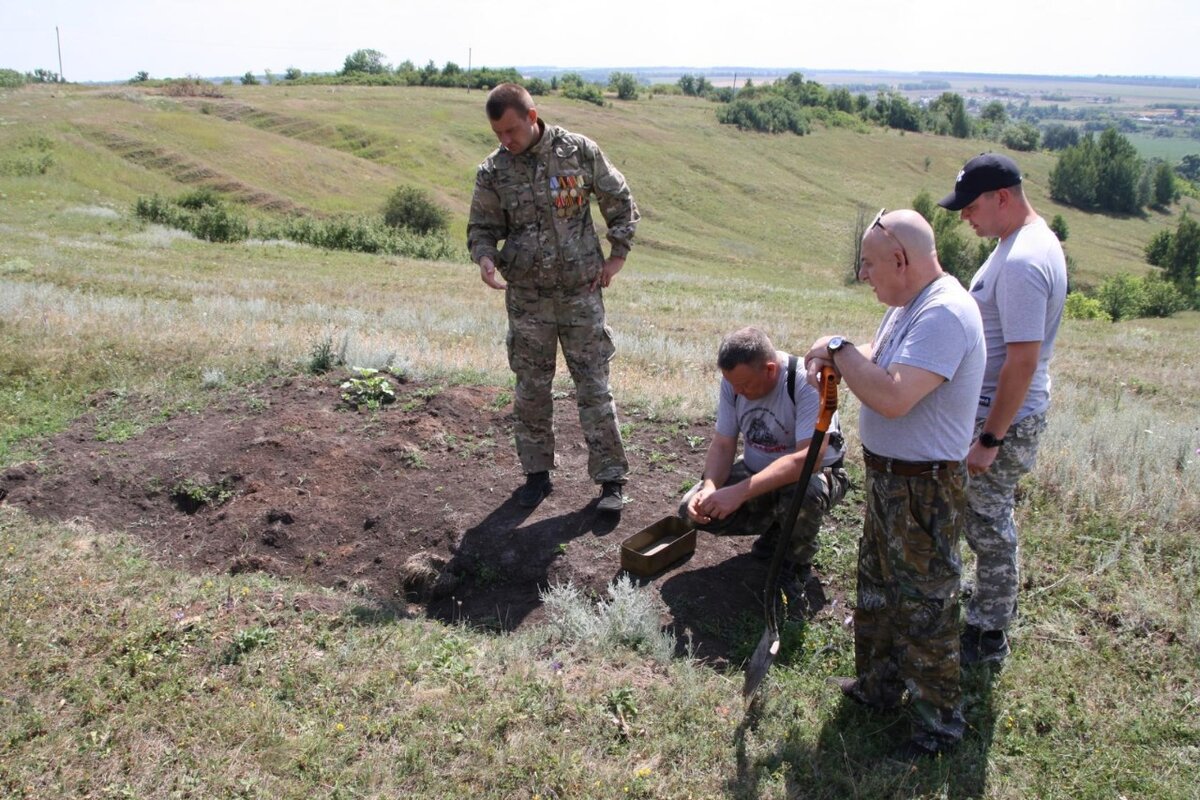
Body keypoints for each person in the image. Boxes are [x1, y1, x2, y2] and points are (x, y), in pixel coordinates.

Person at [805, 209, 985, 759]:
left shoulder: (946, 313)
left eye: (869, 263)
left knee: (924, 604)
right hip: (891, 481)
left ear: (901, 260)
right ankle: (880, 686)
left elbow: (891, 394)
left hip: (922, 488)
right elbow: (880, 362)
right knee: (879, 589)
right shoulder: (911, 307)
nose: (864, 274)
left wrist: (838, 350)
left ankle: (938, 723)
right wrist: (834, 347)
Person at [467, 83, 639, 513]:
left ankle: (611, 480)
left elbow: (619, 199)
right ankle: (536, 475)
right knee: (530, 389)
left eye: (511, 130)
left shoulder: (577, 152)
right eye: (498, 134)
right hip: (527, 298)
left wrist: (617, 255)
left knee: (594, 387)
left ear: (532, 116)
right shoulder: (493, 171)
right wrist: (485, 259)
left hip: (580, 294)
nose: (506, 141)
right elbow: (481, 227)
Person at [938, 153, 1067, 664]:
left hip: (1004, 417)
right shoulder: (1020, 245)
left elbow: (1023, 359)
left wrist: (990, 438)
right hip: (1001, 411)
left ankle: (989, 633)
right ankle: (989, 602)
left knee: (987, 521)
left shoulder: (1021, 262)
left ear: (1003, 198)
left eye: (972, 206)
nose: (965, 217)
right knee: (987, 515)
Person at [678, 327, 848, 616]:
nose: (737, 392)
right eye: (732, 384)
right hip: (758, 470)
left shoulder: (805, 382)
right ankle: (777, 531)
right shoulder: (734, 383)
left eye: (744, 385)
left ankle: (795, 567)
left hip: (815, 476)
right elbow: (723, 443)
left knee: (802, 493)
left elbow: (810, 459)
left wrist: (739, 493)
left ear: (770, 369)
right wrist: (710, 487)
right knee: (690, 510)